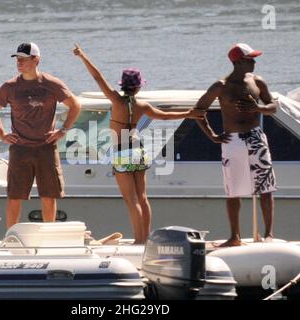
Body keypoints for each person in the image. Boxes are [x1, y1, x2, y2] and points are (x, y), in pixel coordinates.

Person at [73, 44, 205, 244]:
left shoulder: (116, 100)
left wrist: (83, 56)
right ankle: (146, 238)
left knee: (131, 200)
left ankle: (138, 240)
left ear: (122, 85)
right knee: (143, 197)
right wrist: (190, 114)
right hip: (138, 150)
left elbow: (98, 77)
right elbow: (167, 117)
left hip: (121, 151)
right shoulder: (142, 106)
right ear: (138, 86)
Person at [0, 42, 81, 229]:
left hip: (46, 147)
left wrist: (63, 130)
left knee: (48, 195)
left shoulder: (51, 83)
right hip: (20, 149)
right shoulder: (10, 86)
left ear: (36, 60)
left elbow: (75, 105)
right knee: (15, 196)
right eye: (17, 60)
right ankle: (11, 236)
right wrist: (3, 134)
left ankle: (48, 236)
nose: (19, 63)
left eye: (23, 59)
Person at [193, 43, 278, 247]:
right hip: (233, 140)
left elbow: (273, 107)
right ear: (238, 62)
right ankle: (235, 236)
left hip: (256, 137)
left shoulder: (257, 81)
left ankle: (269, 234)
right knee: (233, 191)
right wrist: (212, 135)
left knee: (266, 188)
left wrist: (258, 108)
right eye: (250, 59)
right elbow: (198, 110)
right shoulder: (221, 86)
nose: (254, 62)